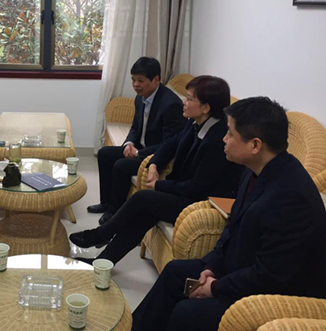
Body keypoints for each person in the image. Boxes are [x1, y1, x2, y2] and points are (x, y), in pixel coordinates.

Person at [131, 97, 326, 331]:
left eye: (230, 134)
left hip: (273, 297)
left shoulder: (291, 198)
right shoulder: (254, 170)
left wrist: (215, 288)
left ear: (255, 145)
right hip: (240, 270)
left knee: (188, 312)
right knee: (175, 272)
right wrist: (211, 266)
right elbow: (231, 227)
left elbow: (270, 275)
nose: (223, 139)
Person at [71, 76, 244, 265]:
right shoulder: (195, 121)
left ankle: (100, 235)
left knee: (142, 198)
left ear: (206, 107)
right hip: (186, 191)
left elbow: (197, 188)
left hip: (202, 203)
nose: (183, 102)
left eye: (189, 99)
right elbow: (170, 144)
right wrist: (153, 164)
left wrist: (159, 185)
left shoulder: (217, 141)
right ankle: (102, 261)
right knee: (145, 212)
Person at [89, 57, 186, 225]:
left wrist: (139, 153)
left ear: (156, 79)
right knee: (105, 153)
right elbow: (135, 127)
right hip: (140, 148)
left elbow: (169, 144)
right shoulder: (140, 98)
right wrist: (129, 144)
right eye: (133, 80)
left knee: (121, 165)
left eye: (140, 81)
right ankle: (106, 203)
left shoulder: (171, 105)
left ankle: (115, 211)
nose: (135, 85)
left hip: (156, 156)